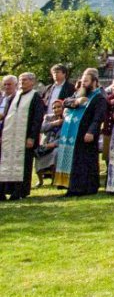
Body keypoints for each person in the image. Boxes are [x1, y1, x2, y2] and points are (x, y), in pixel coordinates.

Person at [57, 68, 108, 196]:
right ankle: (73, 187)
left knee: (85, 162)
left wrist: (91, 132)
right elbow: (65, 102)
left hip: (87, 134)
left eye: (86, 81)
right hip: (73, 135)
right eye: (82, 81)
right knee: (75, 161)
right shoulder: (78, 94)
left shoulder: (99, 98)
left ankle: (87, 188)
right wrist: (76, 102)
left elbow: (98, 117)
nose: (83, 84)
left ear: (95, 82)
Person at [0, 72, 45, 200]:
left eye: (24, 80)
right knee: (7, 163)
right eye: (20, 80)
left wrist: (31, 137)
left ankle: (19, 191)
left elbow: (37, 119)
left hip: (24, 138)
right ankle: (4, 190)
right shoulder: (14, 96)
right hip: (10, 137)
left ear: (32, 82)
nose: (22, 83)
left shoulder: (35, 97)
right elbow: (7, 116)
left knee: (23, 165)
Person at [36, 64, 74, 179]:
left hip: (63, 119)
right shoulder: (49, 88)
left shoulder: (70, 88)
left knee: (57, 145)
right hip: (49, 119)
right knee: (44, 144)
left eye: (58, 73)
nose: (55, 75)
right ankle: (45, 172)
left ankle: (56, 171)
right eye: (53, 73)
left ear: (64, 74)